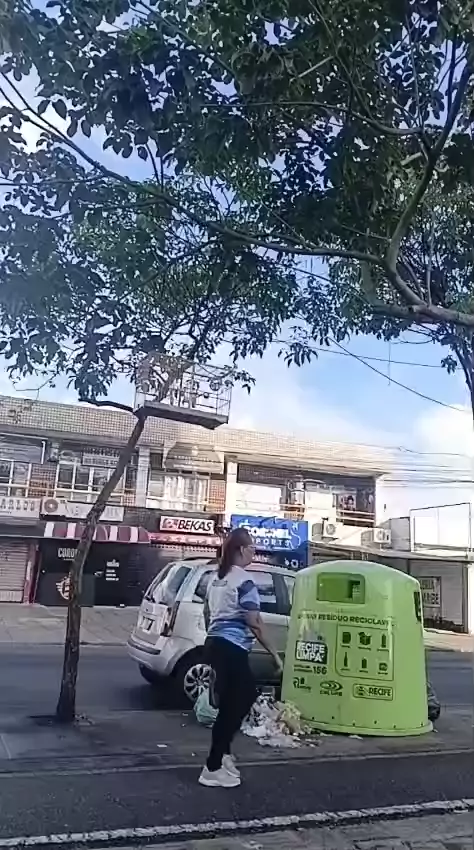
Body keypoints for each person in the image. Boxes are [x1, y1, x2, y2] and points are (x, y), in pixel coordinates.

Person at [199, 527, 284, 788]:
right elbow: (254, 622)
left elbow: (206, 613)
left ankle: (223, 755)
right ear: (241, 550)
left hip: (214, 644)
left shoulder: (217, 578)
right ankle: (212, 766)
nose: (253, 553)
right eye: (252, 548)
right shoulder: (244, 581)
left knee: (230, 705)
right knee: (241, 700)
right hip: (230, 647)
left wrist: (215, 635)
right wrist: (275, 654)